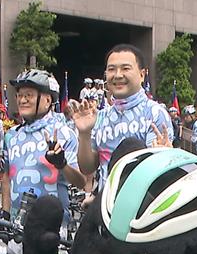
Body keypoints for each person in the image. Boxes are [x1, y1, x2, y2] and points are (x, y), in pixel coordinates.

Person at [70, 44, 171, 193]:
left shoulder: (155, 113)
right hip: (106, 207)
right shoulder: (101, 116)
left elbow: (155, 172)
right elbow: (87, 168)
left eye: (125, 68)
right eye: (111, 69)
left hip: (143, 207)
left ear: (142, 75)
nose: (117, 75)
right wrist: (84, 134)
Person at [2, 69, 85, 217]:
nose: (22, 100)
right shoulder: (11, 135)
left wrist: (62, 164)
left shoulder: (64, 133)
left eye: (29, 95)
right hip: (16, 228)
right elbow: (7, 177)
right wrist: (5, 213)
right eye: (19, 95)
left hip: (53, 228)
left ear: (47, 100)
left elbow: (81, 182)